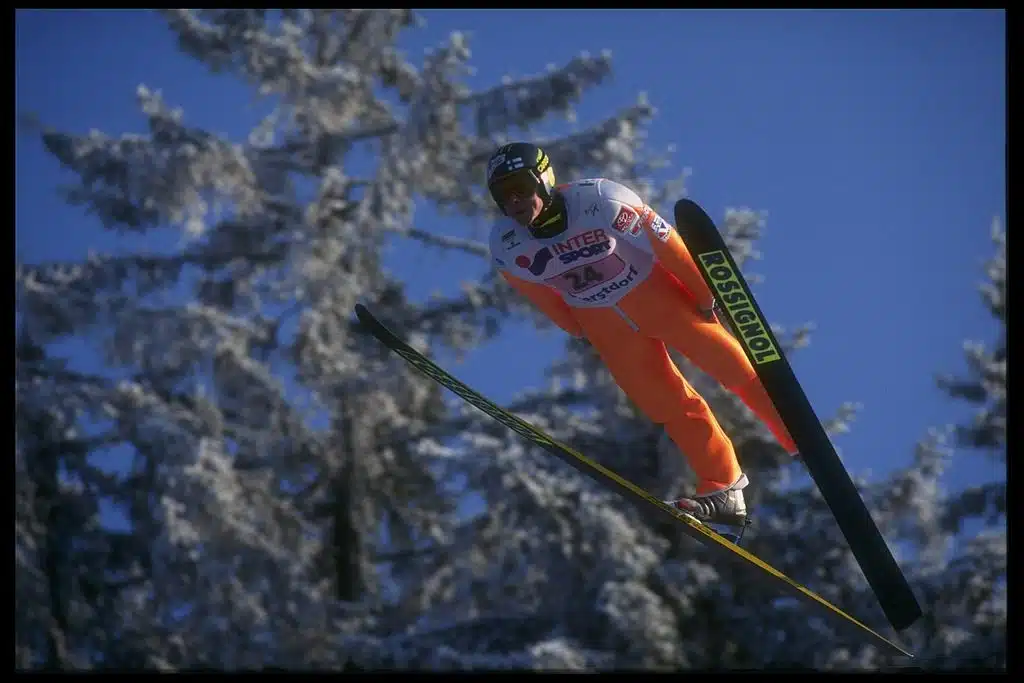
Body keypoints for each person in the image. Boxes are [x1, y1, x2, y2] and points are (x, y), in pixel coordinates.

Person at [485, 142, 798, 528]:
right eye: (503, 194)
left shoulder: (601, 201)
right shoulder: (506, 245)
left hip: (654, 294)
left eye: (521, 186)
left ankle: (794, 430)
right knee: (667, 405)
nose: (514, 200)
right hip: (605, 323)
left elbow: (666, 244)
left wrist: (703, 293)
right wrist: (578, 326)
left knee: (727, 363)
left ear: (544, 179)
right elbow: (540, 296)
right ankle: (725, 488)